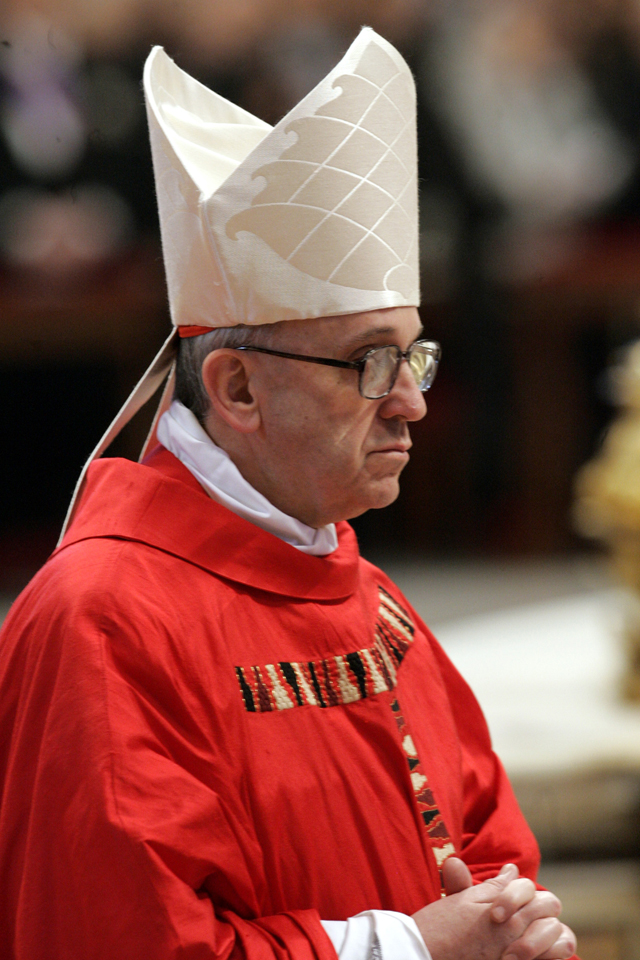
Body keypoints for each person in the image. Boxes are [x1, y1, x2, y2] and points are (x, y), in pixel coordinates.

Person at [0, 28, 578, 960]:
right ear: (235, 390)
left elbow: (496, 867)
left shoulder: (376, 609)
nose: (413, 401)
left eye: (416, 353)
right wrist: (411, 951)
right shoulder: (103, 622)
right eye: (369, 361)